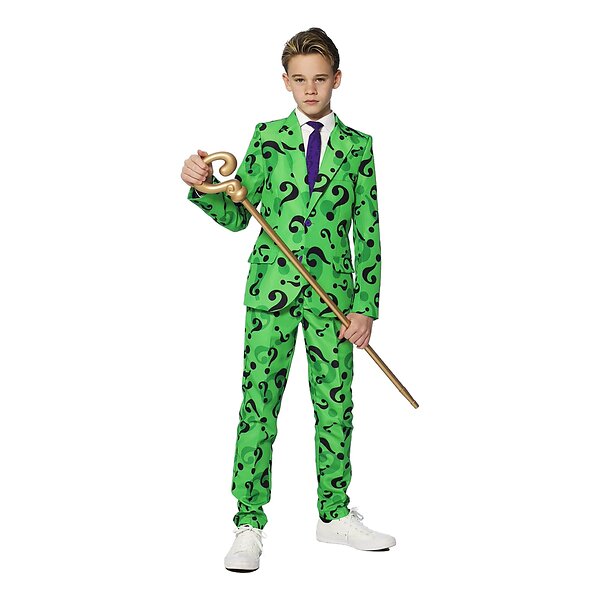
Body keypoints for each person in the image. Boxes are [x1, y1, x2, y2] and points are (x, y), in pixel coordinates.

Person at [180, 27, 395, 573]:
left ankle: (335, 514)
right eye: (299, 79)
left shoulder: (358, 147)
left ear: (337, 80)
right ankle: (248, 522)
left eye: (319, 78)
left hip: (334, 302)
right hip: (271, 294)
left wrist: (366, 307)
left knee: (335, 407)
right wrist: (203, 185)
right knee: (258, 405)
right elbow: (238, 215)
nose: (310, 89)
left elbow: (368, 232)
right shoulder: (268, 137)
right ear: (285, 82)